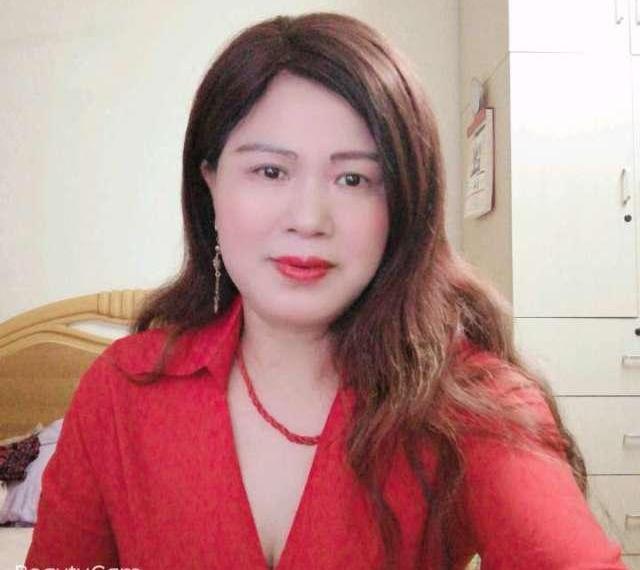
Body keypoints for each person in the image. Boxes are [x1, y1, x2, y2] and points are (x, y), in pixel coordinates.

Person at [25, 11, 626, 570]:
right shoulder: (121, 391)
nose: (309, 219)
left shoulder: (471, 401)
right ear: (210, 185)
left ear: (403, 203)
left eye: (354, 179)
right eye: (270, 171)